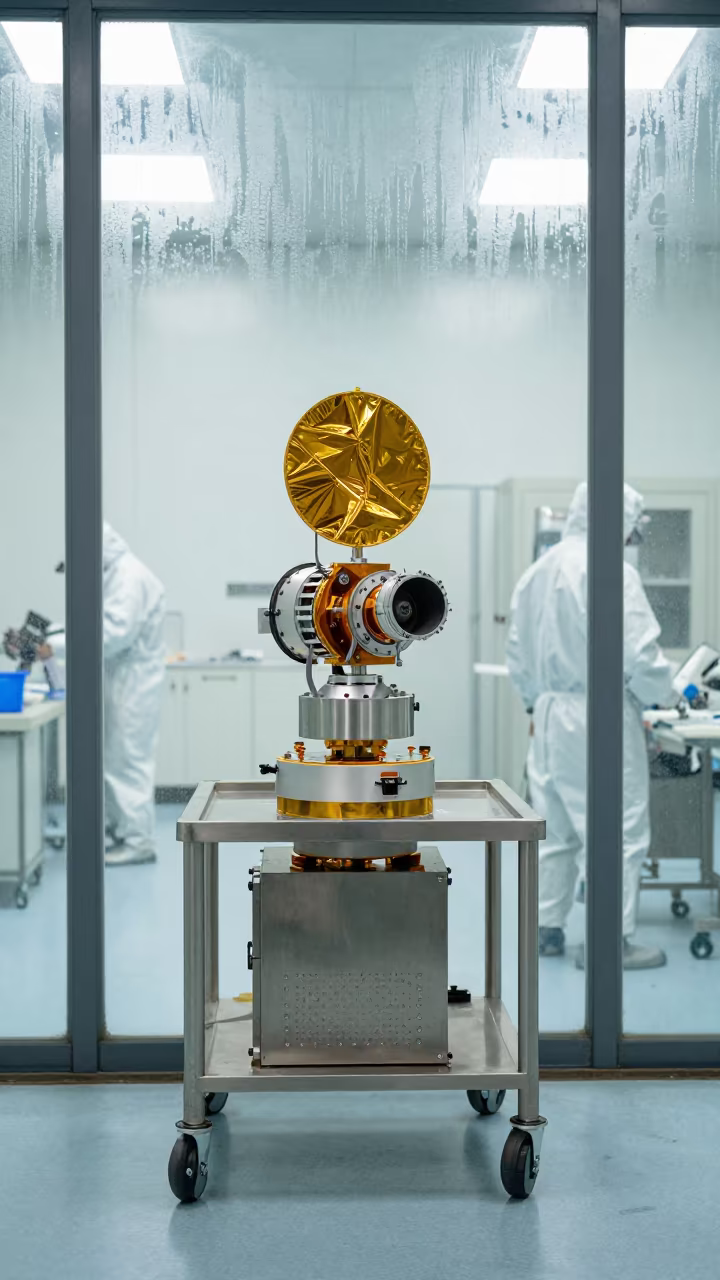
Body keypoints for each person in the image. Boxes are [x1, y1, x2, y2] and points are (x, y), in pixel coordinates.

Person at [506, 483, 674, 970]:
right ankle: (610, 942)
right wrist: (665, 696)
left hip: (550, 713)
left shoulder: (537, 572)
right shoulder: (612, 573)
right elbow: (640, 655)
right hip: (598, 711)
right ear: (621, 521)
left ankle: (547, 929)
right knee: (618, 827)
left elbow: (516, 653)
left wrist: (535, 704)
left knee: (556, 827)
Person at [43, 524, 166, 866]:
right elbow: (93, 622)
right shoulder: (114, 573)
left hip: (133, 682)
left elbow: (111, 634)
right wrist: (55, 632)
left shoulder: (128, 577)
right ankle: (119, 829)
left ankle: (138, 841)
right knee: (113, 760)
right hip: (120, 680)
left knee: (127, 762)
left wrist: (51, 644)